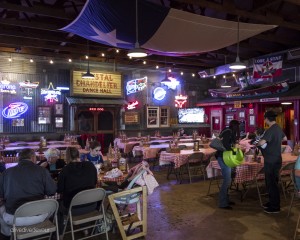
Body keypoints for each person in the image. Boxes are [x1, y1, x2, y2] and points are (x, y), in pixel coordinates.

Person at [0, 148, 56, 238]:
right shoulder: (42, 171)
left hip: (14, 218)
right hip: (39, 216)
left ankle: (9, 235)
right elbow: (52, 191)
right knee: (53, 206)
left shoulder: (6, 172)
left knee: (1, 210)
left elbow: (1, 196)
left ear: (19, 159)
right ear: (33, 158)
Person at [57, 147, 98, 234]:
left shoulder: (65, 170)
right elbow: (95, 182)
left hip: (73, 209)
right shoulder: (90, 165)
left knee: (57, 205)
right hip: (92, 205)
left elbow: (59, 189)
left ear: (66, 157)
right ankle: (85, 227)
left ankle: (59, 233)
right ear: (78, 154)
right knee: (81, 199)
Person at [257, 110, 287, 214]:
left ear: (267, 119)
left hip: (270, 160)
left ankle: (275, 207)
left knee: (271, 183)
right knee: (273, 182)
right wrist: (275, 142)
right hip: (277, 158)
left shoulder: (270, 129)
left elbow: (261, 142)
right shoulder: (278, 128)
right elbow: (285, 138)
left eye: (265, 118)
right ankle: (272, 202)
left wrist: (258, 143)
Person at [216, 119, 240, 210]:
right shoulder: (228, 132)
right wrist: (235, 151)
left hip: (224, 157)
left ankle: (226, 200)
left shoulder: (227, 131)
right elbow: (226, 146)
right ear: (235, 127)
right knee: (227, 180)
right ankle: (223, 203)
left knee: (228, 179)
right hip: (223, 157)